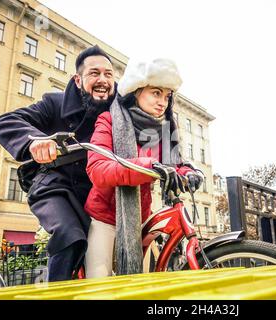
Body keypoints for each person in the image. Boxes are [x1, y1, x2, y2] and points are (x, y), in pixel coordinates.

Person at [0, 45, 117, 281]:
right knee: (69, 235)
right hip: (54, 187)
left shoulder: (119, 111)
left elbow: (153, 123)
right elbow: (4, 122)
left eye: (108, 74)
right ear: (78, 80)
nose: (103, 80)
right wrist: (35, 142)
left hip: (97, 193)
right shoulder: (55, 103)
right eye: (94, 73)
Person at [84, 57, 203, 278]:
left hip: (141, 221)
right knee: (97, 285)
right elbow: (98, 168)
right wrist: (149, 166)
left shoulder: (163, 131)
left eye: (167, 96)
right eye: (156, 93)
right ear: (136, 91)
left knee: (142, 285)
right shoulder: (109, 120)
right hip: (104, 218)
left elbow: (174, 164)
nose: (163, 102)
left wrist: (188, 173)